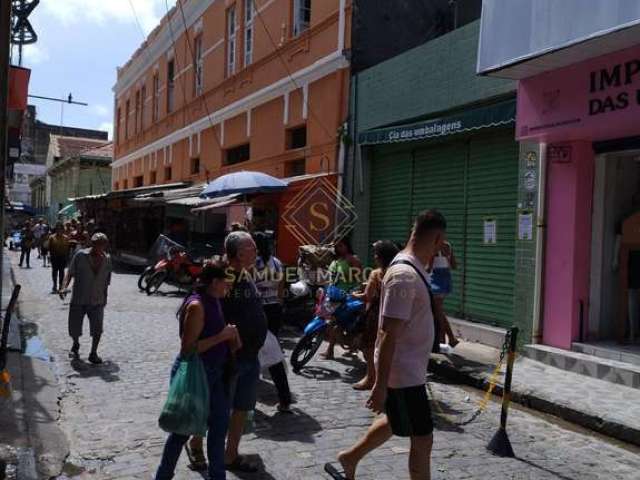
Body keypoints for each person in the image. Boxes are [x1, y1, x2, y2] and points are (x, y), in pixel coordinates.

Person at [328, 210, 447, 480]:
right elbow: (387, 333)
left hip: (409, 369)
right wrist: (380, 385)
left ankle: (349, 457)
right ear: (437, 238)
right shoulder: (403, 274)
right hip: (403, 373)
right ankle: (350, 458)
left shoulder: (414, 267)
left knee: (395, 421)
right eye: (441, 244)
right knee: (422, 438)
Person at [155, 261, 241, 480]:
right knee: (182, 432)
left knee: (219, 428)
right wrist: (222, 336)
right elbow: (188, 349)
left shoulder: (214, 300)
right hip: (197, 375)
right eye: (225, 283)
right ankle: (163, 476)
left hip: (216, 374)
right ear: (214, 282)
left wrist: (231, 338)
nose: (227, 288)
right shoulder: (197, 306)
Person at [222, 231, 267, 473]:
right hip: (233, 358)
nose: (257, 252)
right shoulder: (226, 278)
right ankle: (201, 447)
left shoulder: (245, 274)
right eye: (253, 249)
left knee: (242, 407)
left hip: (250, 355)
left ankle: (231, 455)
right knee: (219, 409)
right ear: (239, 254)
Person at [351, 240, 399, 391]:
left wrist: (354, 295)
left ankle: (371, 377)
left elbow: (368, 297)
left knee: (370, 347)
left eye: (376, 254)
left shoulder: (376, 274)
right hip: (395, 314)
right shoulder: (400, 273)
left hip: (376, 314)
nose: (374, 257)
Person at [253, 232, 293, 413]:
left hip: (258, 311)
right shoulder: (276, 262)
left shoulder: (253, 263)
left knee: (252, 352)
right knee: (273, 351)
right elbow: (281, 286)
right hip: (274, 309)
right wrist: (279, 304)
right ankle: (284, 398)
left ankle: (246, 399)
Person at [60, 232, 113, 364]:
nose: (99, 247)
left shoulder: (107, 259)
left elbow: (106, 280)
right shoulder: (80, 255)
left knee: (97, 328)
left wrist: (105, 296)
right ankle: (76, 343)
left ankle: (93, 353)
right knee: (74, 327)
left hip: (97, 300)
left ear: (105, 245)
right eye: (96, 244)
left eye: (102, 244)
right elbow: (70, 273)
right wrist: (63, 287)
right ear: (92, 243)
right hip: (79, 297)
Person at [321, 237, 363, 360]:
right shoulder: (336, 261)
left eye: (341, 246)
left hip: (346, 296)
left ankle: (331, 350)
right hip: (333, 294)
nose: (339, 248)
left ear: (347, 246)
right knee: (330, 322)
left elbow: (360, 279)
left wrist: (353, 291)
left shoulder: (352, 259)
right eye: (337, 246)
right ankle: (331, 349)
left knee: (337, 322)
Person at [429, 242, 459, 348]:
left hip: (436, 279)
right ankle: (444, 339)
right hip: (446, 278)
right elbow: (454, 265)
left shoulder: (433, 245)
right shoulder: (448, 246)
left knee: (438, 311)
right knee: (438, 310)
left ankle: (449, 338)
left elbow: (429, 266)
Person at [48, 222, 71, 294]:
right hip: (54, 257)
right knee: (54, 271)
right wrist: (49, 256)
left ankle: (61, 285)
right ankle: (54, 284)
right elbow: (49, 247)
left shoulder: (66, 238)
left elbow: (68, 249)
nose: (59, 230)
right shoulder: (52, 237)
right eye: (58, 229)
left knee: (62, 272)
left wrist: (68, 258)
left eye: (60, 229)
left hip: (62, 257)